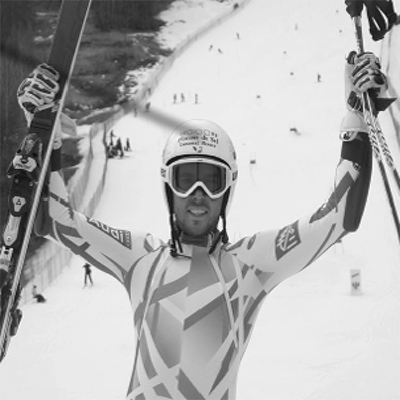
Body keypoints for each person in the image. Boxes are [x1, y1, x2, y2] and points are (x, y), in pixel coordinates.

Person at [12, 51, 388, 399]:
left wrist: (356, 119)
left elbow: (338, 218)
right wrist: (44, 131)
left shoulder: (251, 263)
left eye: (212, 181)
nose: (198, 194)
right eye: (185, 179)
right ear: (168, 187)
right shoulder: (140, 257)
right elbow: (55, 220)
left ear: (227, 191)